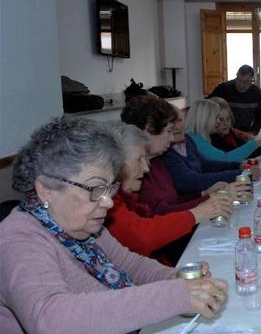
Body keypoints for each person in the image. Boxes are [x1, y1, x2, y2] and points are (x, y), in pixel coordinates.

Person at [0, 117, 227, 334]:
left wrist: (175, 279)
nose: (108, 201)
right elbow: (49, 320)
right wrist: (174, 296)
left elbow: (131, 265)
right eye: (96, 189)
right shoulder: (19, 240)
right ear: (46, 190)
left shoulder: (83, 226)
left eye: (109, 188)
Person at [105, 121, 234, 258]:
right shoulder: (109, 201)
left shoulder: (152, 169)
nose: (146, 168)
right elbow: (144, 237)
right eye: (139, 159)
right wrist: (200, 210)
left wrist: (205, 195)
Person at [121, 96, 234, 216]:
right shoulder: (135, 170)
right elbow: (160, 215)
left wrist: (205, 194)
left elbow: (174, 202)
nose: (172, 138)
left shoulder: (158, 161)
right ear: (149, 129)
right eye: (169, 131)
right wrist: (209, 200)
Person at [186, 99, 261, 163]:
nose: (218, 122)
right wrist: (257, 143)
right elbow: (224, 159)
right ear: (204, 119)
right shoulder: (195, 139)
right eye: (217, 118)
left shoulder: (198, 137)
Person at [208, 64, 261, 134]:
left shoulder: (256, 92)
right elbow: (207, 105)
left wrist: (253, 132)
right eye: (238, 80)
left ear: (252, 80)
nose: (241, 85)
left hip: (246, 133)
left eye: (245, 82)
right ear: (236, 75)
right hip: (224, 133)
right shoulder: (223, 88)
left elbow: (260, 116)